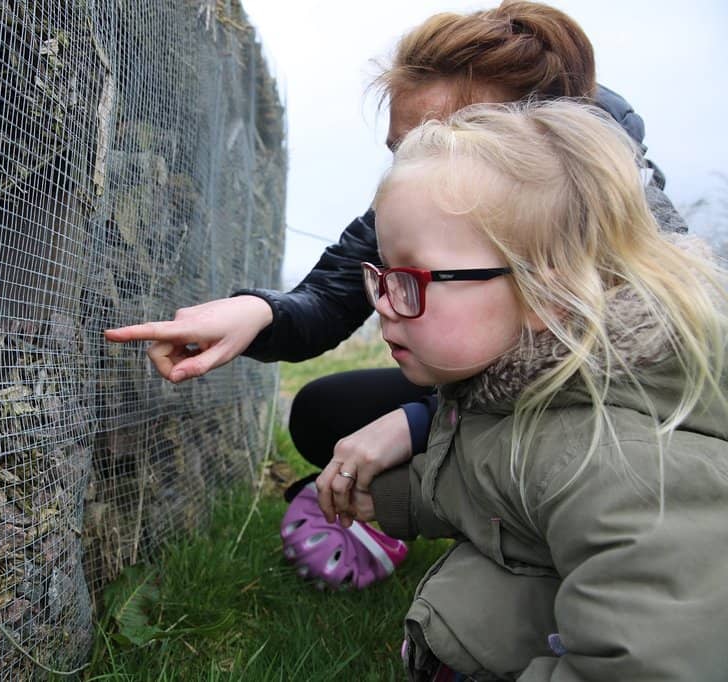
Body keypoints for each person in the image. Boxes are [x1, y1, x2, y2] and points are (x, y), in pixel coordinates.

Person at [104, 1, 689, 533]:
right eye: (399, 150)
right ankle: (439, 500)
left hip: (595, 418)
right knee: (320, 413)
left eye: (443, 138)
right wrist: (256, 311)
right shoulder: (426, 197)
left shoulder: (628, 215)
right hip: (482, 401)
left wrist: (416, 424)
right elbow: (332, 295)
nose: (413, 165)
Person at [360, 99, 728, 679]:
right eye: (380, 275)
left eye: (410, 279)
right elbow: (498, 484)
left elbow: (648, 662)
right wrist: (394, 499)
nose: (384, 305)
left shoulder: (619, 460)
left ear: (543, 296)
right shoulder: (511, 382)